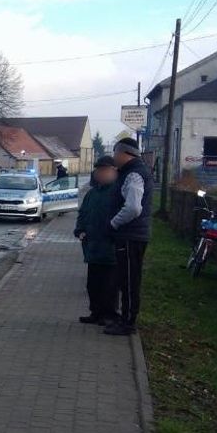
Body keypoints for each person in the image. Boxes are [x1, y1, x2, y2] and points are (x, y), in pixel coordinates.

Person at [105, 138, 153, 336]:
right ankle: (125, 319)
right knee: (125, 278)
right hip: (130, 235)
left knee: (130, 280)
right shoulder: (130, 172)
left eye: (116, 153)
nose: (114, 157)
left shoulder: (134, 174)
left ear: (125, 153)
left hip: (130, 235)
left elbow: (133, 207)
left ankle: (128, 322)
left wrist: (113, 223)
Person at [75, 156, 119, 326]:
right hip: (92, 246)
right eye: (98, 170)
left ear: (114, 171)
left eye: (104, 170)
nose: (100, 174)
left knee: (109, 284)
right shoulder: (92, 194)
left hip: (110, 246)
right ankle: (95, 312)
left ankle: (109, 314)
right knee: (93, 284)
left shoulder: (117, 192)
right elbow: (83, 213)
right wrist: (80, 230)